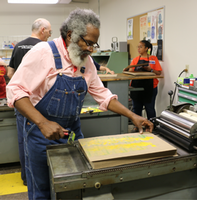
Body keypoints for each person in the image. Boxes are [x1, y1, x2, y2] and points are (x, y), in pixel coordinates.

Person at [6, 9, 153, 200]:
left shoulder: (86, 62)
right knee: (42, 190)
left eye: (94, 44)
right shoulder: (43, 52)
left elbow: (102, 94)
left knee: (73, 188)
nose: (91, 49)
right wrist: (42, 123)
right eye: (88, 43)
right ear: (70, 35)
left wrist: (133, 116)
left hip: (72, 134)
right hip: (41, 135)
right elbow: (15, 90)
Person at [7, 18, 52, 186]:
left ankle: (27, 177)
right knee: (44, 139)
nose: (49, 34)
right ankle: (44, 179)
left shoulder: (18, 46)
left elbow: (11, 74)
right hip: (42, 103)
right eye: (49, 31)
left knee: (23, 139)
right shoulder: (46, 48)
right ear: (42, 30)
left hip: (21, 103)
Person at [128, 40, 162, 123]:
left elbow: (158, 72)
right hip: (136, 88)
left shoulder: (153, 59)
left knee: (150, 109)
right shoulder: (136, 59)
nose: (138, 49)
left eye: (141, 47)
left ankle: (152, 125)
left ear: (146, 48)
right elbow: (130, 71)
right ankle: (137, 125)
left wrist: (151, 70)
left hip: (150, 88)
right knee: (136, 109)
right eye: (138, 47)